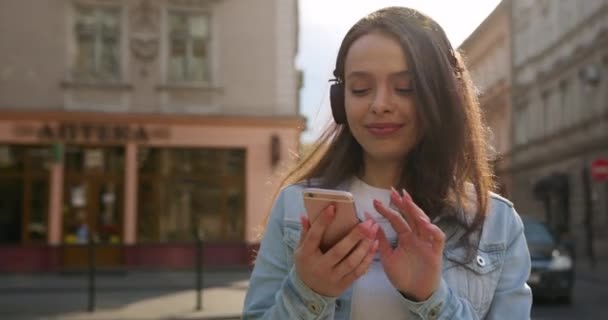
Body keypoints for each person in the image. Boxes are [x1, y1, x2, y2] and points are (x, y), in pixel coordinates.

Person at [243, 6, 532, 320]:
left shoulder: (497, 223)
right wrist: (307, 293)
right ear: (340, 101)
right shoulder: (294, 207)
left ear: (443, 96)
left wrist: (432, 299)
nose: (380, 105)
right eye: (361, 89)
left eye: (405, 88)